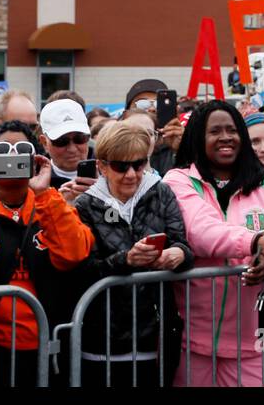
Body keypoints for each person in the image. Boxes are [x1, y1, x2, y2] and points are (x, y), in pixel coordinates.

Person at [164, 100, 264, 387]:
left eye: (232, 129)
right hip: (192, 341)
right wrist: (256, 243)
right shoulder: (178, 181)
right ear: (197, 137)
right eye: (214, 131)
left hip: (256, 339)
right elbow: (198, 230)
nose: (226, 137)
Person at [0, 120, 94, 386]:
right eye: (2, 151)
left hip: (50, 344)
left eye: (20, 150)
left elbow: (73, 255)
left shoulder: (50, 202)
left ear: (35, 159)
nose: (11, 158)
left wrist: (43, 193)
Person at [73, 122, 192, 387]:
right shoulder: (85, 205)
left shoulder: (161, 192)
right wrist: (125, 260)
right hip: (103, 334)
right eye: (120, 166)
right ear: (102, 166)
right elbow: (83, 270)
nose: (131, 174)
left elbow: (183, 244)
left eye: (138, 164)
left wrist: (178, 254)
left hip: (155, 333)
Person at [39, 99, 95, 204]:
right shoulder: (35, 181)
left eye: (79, 138)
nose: (72, 149)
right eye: (61, 141)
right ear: (44, 142)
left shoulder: (113, 171)